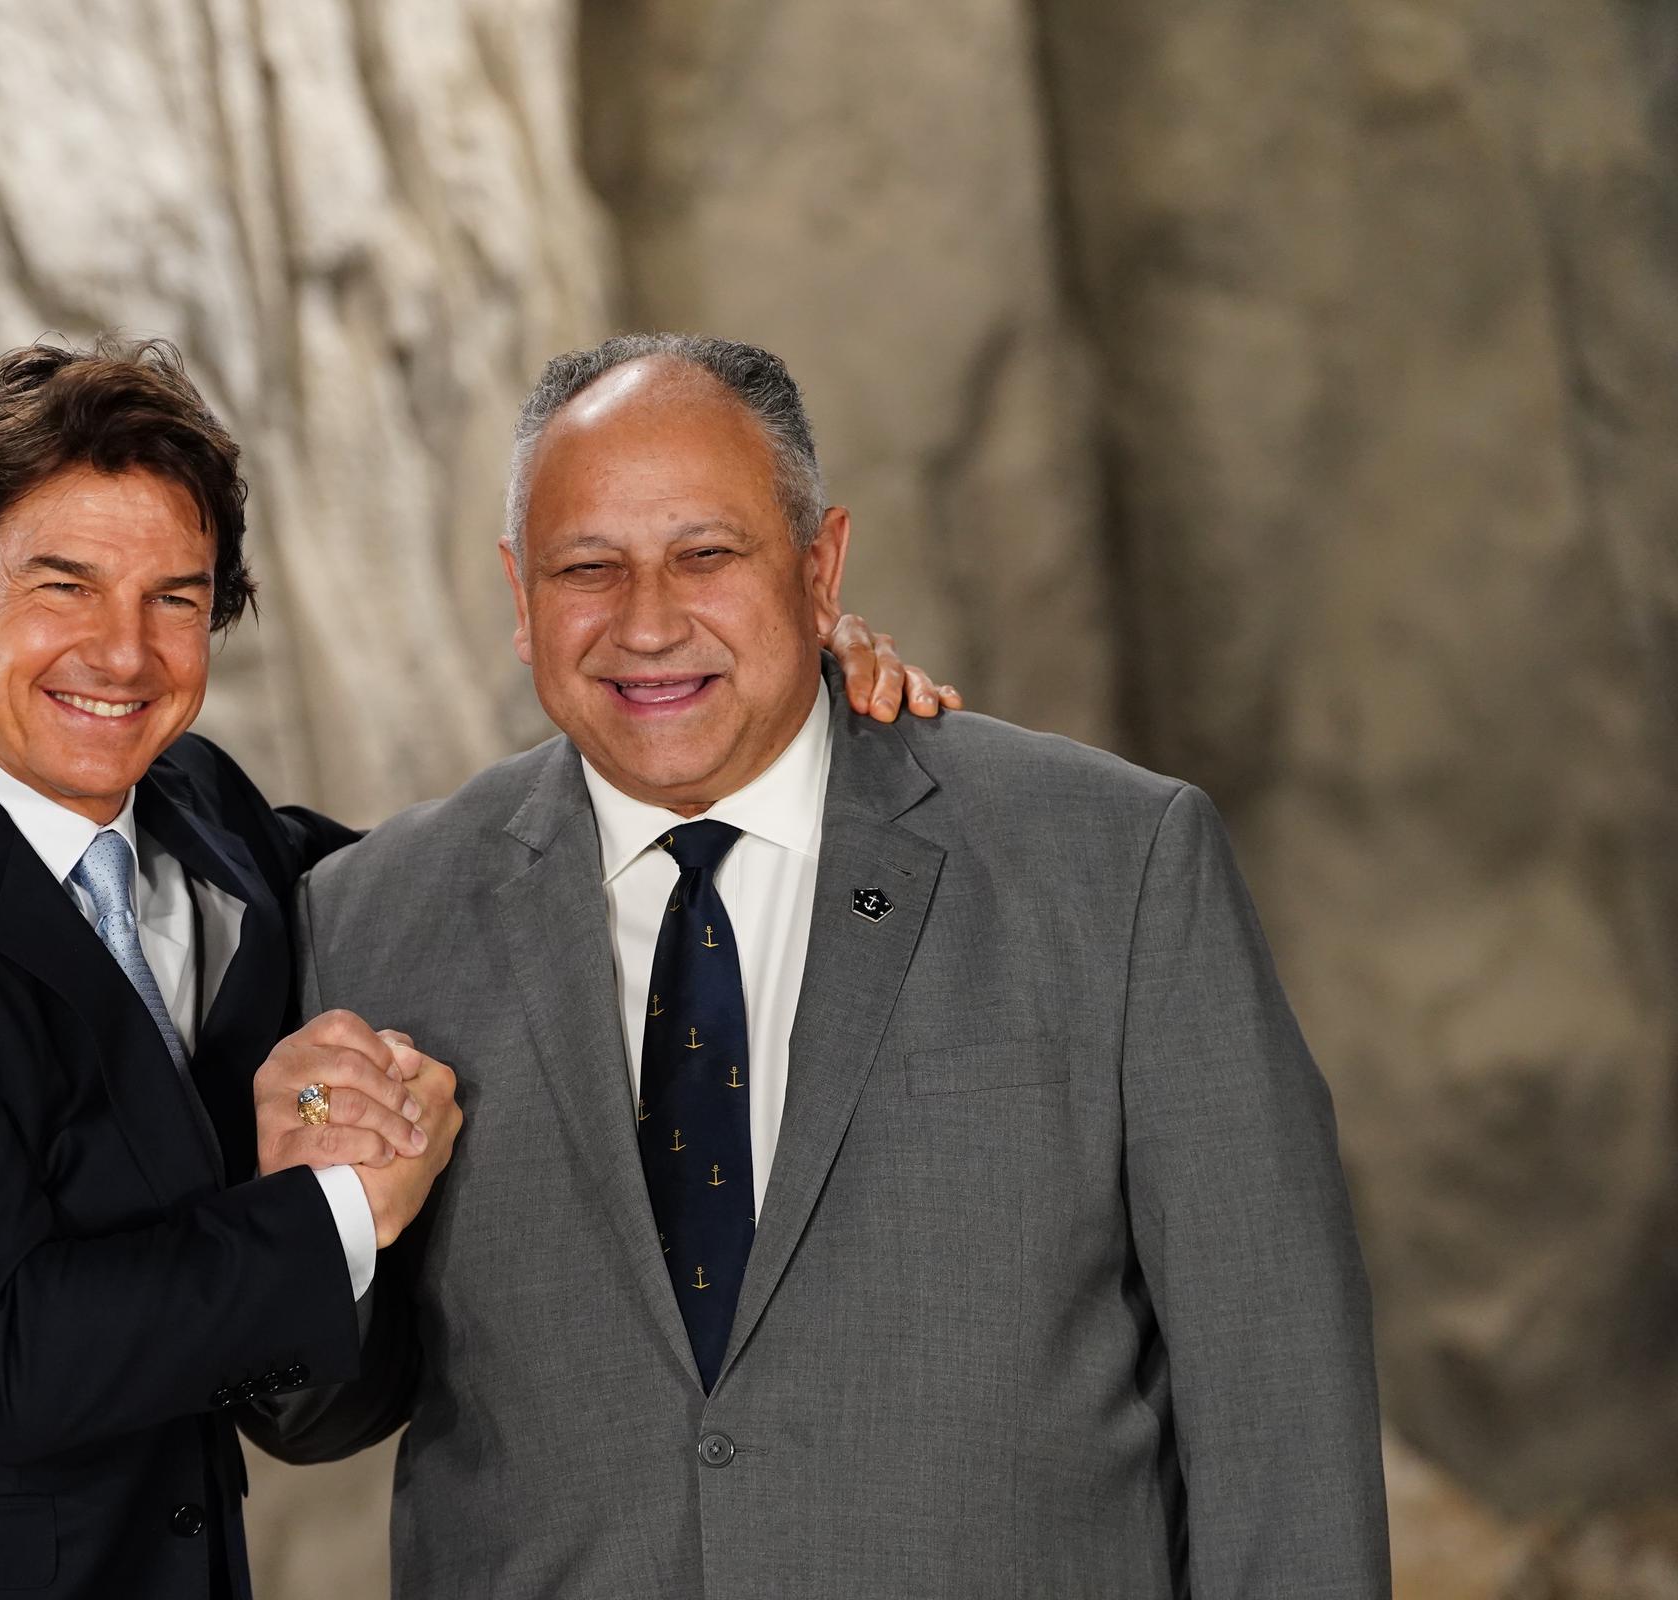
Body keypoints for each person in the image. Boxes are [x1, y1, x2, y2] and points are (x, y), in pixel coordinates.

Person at [0, 336, 943, 1599]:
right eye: (62, 586)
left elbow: (463, 899)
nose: (122, 654)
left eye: (173, 597)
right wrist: (347, 1204)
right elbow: (10, 1363)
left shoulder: (195, 812)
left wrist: (771, 694)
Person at [268, 333, 1390, 1598]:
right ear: (521, 596)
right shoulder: (372, 914)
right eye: (590, 568)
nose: (647, 623)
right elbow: (309, 1415)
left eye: (707, 555)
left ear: (819, 568)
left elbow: (1278, 1401)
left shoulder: (1113, 866)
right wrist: (312, 1210)